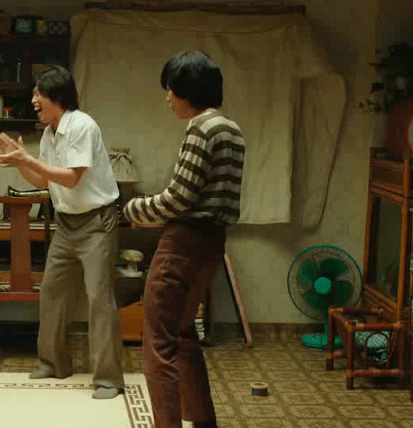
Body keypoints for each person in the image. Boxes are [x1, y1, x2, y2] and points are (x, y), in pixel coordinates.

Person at [122, 51, 245, 428]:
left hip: (184, 243)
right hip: (212, 243)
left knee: (157, 344)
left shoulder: (201, 128)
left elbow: (179, 198)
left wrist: (133, 209)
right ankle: (203, 421)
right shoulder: (232, 129)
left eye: (172, 90)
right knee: (184, 333)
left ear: (190, 91)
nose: (168, 99)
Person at [0, 65, 124, 400]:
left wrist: (27, 159)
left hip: (97, 223)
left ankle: (108, 379)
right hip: (66, 224)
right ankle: (53, 363)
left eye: (38, 93)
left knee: (98, 300)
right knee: (51, 292)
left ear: (57, 96)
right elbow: (43, 180)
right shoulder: (50, 134)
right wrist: (20, 162)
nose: (33, 100)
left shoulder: (82, 125)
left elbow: (72, 178)